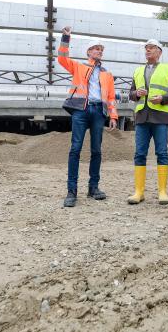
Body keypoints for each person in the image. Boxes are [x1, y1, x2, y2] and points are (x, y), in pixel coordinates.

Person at [57, 26, 118, 208]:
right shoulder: (79, 66)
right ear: (89, 52)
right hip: (81, 111)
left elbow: (111, 97)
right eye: (96, 48)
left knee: (96, 151)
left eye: (101, 49)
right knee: (75, 149)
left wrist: (113, 115)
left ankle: (93, 188)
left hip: (99, 112)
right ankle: (71, 191)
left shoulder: (107, 74)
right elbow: (61, 58)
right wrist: (65, 38)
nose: (99, 51)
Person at [127, 39, 168, 205]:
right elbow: (131, 94)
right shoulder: (138, 71)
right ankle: (139, 192)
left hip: (160, 117)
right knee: (140, 154)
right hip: (142, 117)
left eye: (151, 48)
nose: (148, 50)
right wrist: (137, 93)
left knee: (162, 153)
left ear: (159, 52)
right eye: (146, 48)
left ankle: (162, 191)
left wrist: (162, 98)